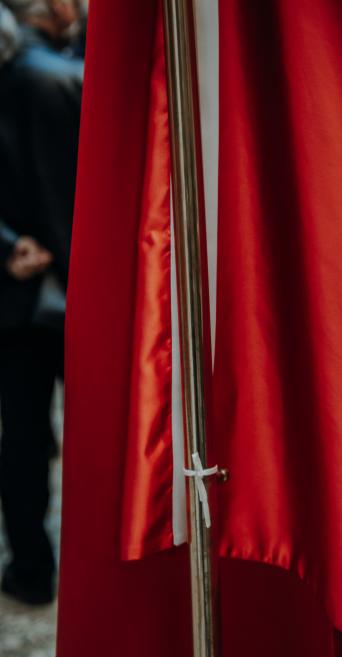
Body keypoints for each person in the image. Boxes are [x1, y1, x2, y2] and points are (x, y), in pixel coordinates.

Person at [0, 0, 82, 606]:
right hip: (78, 292)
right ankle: (100, 568)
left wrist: (6, 246)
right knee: (93, 434)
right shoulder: (66, 78)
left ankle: (31, 570)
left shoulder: (24, 73)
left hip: (15, 289)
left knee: (24, 436)